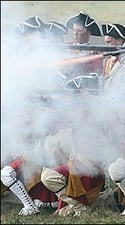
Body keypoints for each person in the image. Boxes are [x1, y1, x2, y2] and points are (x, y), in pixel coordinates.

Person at [1, 17, 71, 216]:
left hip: (49, 120)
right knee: (28, 160)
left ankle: (54, 200)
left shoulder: (49, 58)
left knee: (48, 158)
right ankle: (37, 199)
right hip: (27, 119)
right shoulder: (24, 60)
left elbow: (58, 91)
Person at [60, 11, 103, 92]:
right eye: (74, 30)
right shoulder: (65, 47)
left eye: (79, 31)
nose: (75, 33)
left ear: (88, 33)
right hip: (63, 87)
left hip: (84, 89)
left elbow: (97, 70)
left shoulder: (95, 52)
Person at [100, 23, 125, 89]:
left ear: (119, 41)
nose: (106, 45)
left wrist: (120, 56)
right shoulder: (108, 59)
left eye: (109, 42)